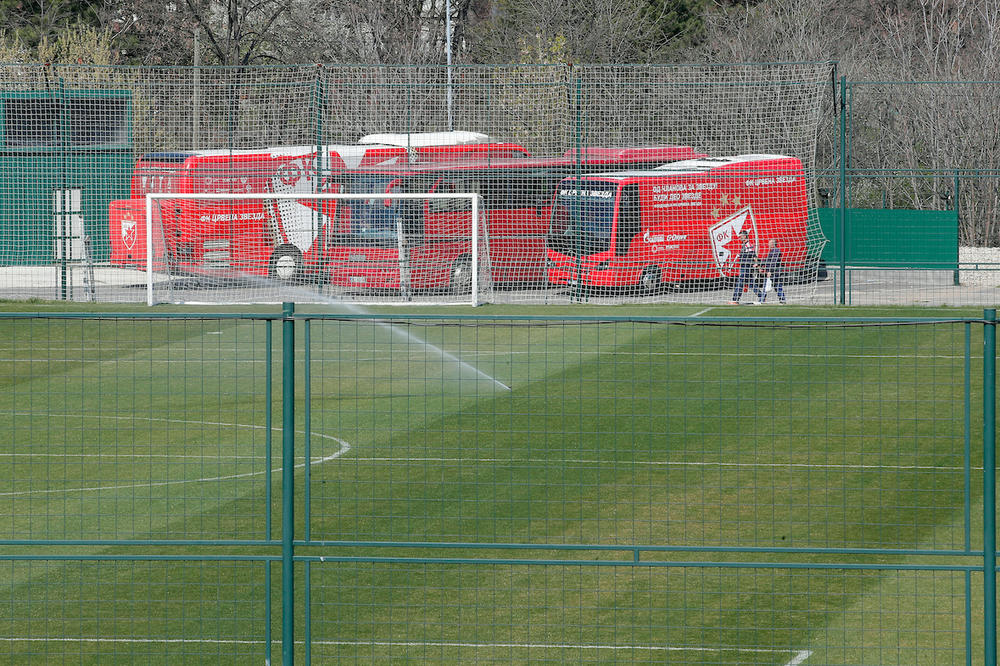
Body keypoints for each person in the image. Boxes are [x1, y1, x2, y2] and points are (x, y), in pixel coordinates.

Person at [729, 229, 762, 304]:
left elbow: (753, 256)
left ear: (744, 236)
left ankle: (735, 299)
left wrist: (758, 265)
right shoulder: (744, 245)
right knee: (751, 283)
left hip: (747, 267)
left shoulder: (748, 245)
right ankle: (761, 296)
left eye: (741, 236)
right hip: (745, 266)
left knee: (740, 282)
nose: (740, 238)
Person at [757, 238, 787, 304]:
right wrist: (760, 264)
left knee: (766, 286)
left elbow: (774, 262)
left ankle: (762, 300)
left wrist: (770, 271)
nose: (768, 244)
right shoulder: (772, 251)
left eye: (769, 243)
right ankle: (782, 299)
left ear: (773, 244)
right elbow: (767, 261)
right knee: (777, 285)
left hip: (774, 272)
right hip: (773, 271)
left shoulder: (776, 251)